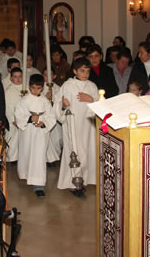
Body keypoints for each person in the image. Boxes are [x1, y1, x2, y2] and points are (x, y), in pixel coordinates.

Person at [54, 58, 99, 198]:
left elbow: (101, 102)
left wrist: (92, 100)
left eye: (87, 71)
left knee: (87, 150)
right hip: (73, 124)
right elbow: (57, 102)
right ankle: (74, 184)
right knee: (75, 151)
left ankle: (86, 178)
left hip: (88, 125)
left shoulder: (92, 86)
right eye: (82, 71)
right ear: (74, 71)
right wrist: (63, 104)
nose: (85, 74)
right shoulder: (68, 85)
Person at [15, 74, 56, 197]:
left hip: (40, 135)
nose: (35, 91)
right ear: (29, 87)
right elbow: (18, 114)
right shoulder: (24, 100)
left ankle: (39, 185)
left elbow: (51, 117)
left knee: (38, 157)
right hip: (27, 133)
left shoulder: (45, 102)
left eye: (38, 88)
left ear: (42, 88)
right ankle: (27, 175)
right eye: (33, 88)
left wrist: (44, 123)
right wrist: (29, 118)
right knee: (27, 155)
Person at [42, 67, 63, 164]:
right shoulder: (39, 87)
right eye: (45, 75)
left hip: (54, 117)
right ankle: (46, 158)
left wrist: (53, 99)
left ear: (54, 76)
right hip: (44, 117)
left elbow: (60, 103)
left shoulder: (58, 88)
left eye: (50, 75)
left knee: (55, 138)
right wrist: (45, 98)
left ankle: (55, 159)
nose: (48, 77)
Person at [4, 67, 23, 162]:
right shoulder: (8, 91)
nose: (18, 79)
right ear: (11, 78)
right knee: (13, 139)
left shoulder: (26, 89)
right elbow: (7, 107)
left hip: (24, 120)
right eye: (15, 77)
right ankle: (12, 158)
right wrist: (13, 120)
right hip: (13, 121)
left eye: (20, 76)